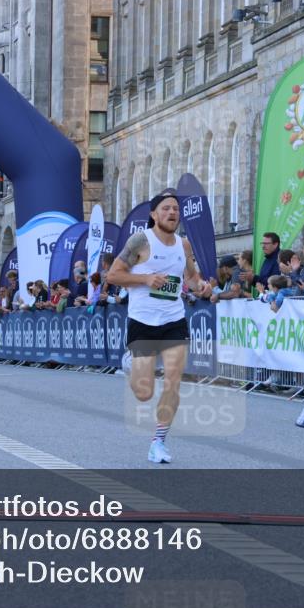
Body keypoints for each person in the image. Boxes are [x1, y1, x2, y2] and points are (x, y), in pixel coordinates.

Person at [106, 190, 207, 465]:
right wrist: (146, 278)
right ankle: (129, 361)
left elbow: (191, 277)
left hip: (174, 319)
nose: (172, 213)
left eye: (175, 208)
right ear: (154, 214)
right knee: (144, 392)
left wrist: (201, 286)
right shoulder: (141, 241)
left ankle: (158, 442)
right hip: (143, 321)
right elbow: (113, 275)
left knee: (173, 382)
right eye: (166, 209)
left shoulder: (183, 245)